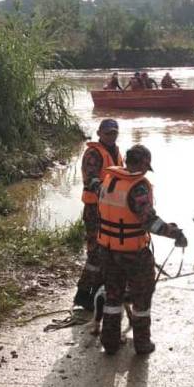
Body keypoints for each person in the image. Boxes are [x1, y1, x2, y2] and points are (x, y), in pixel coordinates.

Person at [98, 144, 187, 355]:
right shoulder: (138, 186)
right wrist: (175, 233)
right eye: (147, 166)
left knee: (113, 297)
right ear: (144, 163)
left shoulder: (109, 179)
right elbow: (149, 222)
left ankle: (109, 342)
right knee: (141, 298)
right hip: (133, 254)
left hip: (108, 250)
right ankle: (142, 344)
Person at [73, 119, 124, 311]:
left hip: (111, 209)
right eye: (108, 133)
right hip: (95, 209)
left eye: (114, 133)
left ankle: (97, 292)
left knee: (108, 251)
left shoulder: (117, 152)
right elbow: (91, 179)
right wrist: (107, 192)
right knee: (95, 253)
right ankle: (82, 294)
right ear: (99, 133)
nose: (111, 136)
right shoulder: (93, 153)